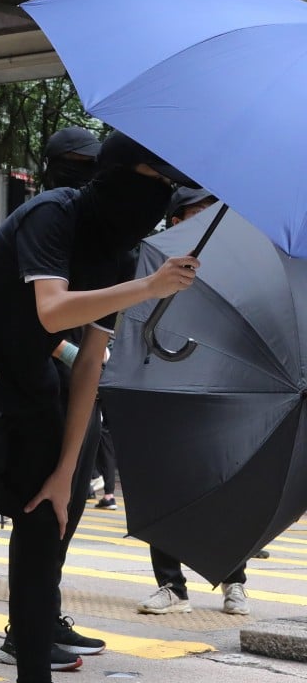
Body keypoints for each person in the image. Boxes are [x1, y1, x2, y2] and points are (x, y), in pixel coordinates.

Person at [0, 131, 200, 683]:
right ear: (118, 171)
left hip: (33, 392)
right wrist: (148, 287)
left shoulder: (121, 252)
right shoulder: (50, 215)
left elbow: (90, 363)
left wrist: (66, 470)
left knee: (40, 546)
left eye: (170, 187)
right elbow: (52, 311)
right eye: (156, 180)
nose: (160, 195)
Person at [0, 126, 110, 668]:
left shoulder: (100, 237)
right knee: (42, 512)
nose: (81, 170)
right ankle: (25, 628)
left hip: (78, 392)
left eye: (90, 161)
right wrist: (69, 349)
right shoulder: (41, 223)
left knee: (70, 505)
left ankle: (45, 613)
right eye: (73, 162)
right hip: (34, 391)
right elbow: (33, 315)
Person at [134, 186, 248, 617]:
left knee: (224, 488)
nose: (206, 224)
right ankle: (170, 585)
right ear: (177, 221)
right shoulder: (150, 264)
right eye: (197, 215)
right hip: (159, 388)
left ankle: (233, 580)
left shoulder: (233, 273)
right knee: (161, 488)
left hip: (215, 393)